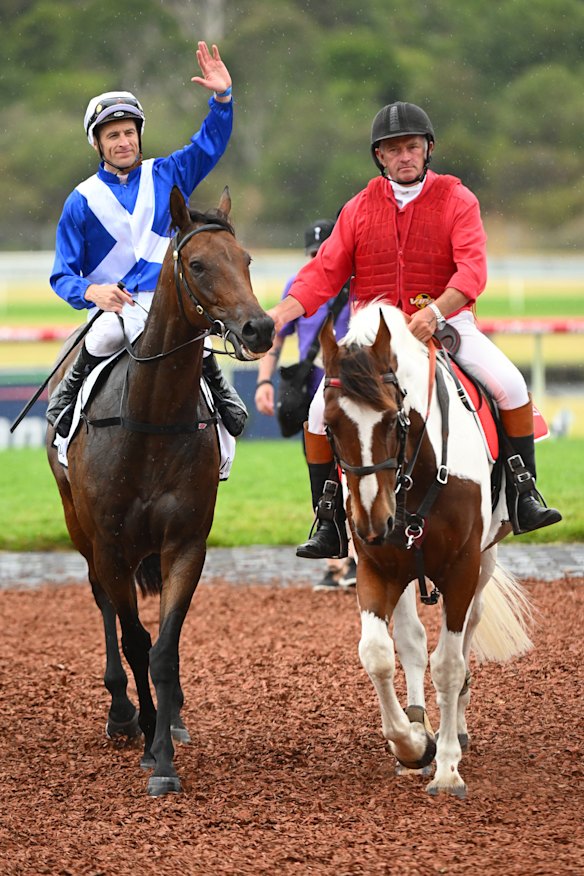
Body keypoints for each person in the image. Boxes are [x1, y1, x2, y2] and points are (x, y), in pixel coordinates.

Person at [267, 100, 561, 559]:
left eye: (412, 146)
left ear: (428, 149)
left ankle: (524, 493)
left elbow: (472, 272)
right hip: (375, 334)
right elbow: (323, 273)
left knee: (512, 384)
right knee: (315, 416)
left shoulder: (458, 199)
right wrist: (278, 316)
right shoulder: (359, 207)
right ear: (379, 157)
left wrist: (436, 312)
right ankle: (327, 520)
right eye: (393, 149)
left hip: (444, 322)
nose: (404, 156)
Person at [47, 41, 246, 441]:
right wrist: (93, 292)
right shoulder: (81, 201)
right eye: (113, 135)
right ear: (97, 144)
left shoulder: (167, 173)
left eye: (129, 132)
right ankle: (67, 394)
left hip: (168, 301)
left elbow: (210, 144)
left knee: (199, 340)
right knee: (105, 334)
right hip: (115, 308)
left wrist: (222, 98)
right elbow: (62, 275)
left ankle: (220, 393)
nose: (124, 141)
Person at [255, 219, 356, 590]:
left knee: (360, 468)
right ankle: (335, 561)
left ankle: (360, 558)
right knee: (323, 474)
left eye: (323, 252)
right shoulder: (297, 286)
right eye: (313, 254)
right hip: (312, 391)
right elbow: (275, 338)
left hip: (355, 384)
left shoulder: (357, 281)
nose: (318, 258)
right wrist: (264, 380)